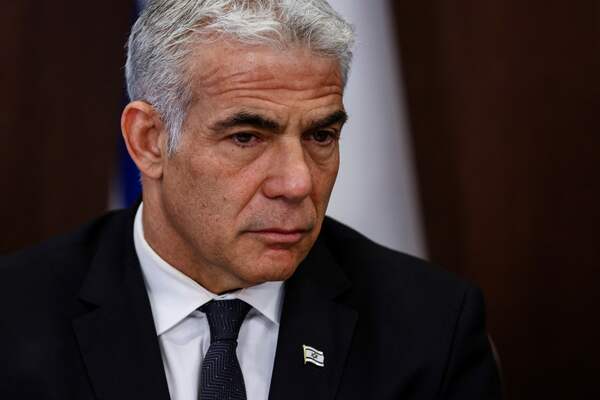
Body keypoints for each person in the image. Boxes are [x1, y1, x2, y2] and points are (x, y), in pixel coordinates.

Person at [0, 0, 502, 399]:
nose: (297, 183)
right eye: (246, 137)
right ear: (149, 140)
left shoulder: (430, 327)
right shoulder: (15, 316)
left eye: (320, 135)